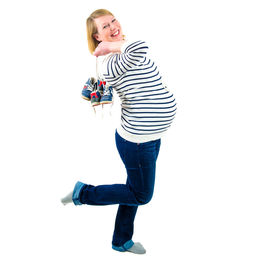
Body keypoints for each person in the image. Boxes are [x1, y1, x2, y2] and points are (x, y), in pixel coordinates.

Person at [61, 9, 176, 254]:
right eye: (104, 27)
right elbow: (141, 46)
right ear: (97, 37)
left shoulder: (122, 51)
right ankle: (84, 193)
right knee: (141, 195)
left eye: (113, 20)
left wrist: (116, 45)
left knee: (132, 190)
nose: (113, 26)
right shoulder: (110, 62)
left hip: (150, 137)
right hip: (137, 142)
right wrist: (112, 48)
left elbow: (139, 57)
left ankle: (120, 240)